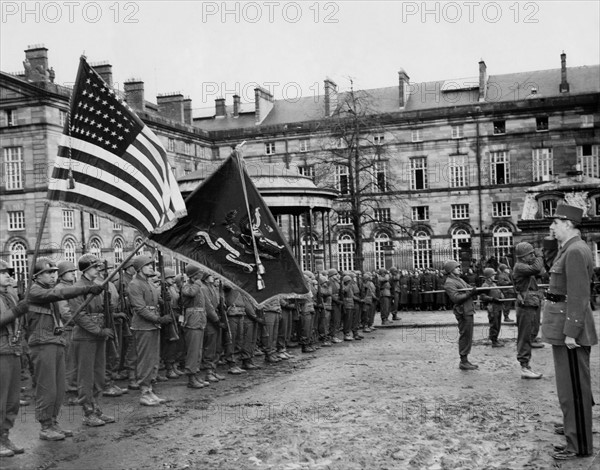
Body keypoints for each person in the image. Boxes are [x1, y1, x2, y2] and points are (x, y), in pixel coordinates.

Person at [541, 204, 597, 461]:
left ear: (569, 223)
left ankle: (580, 445)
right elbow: (550, 265)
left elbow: (578, 295)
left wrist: (572, 331)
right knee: (568, 387)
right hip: (563, 327)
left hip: (569, 331)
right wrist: (552, 242)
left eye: (555, 222)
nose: (551, 227)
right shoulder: (569, 248)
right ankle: (573, 429)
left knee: (574, 388)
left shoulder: (575, 251)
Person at [26, 258, 104, 440]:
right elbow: (59, 294)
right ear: (37, 276)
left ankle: (53, 422)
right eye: (48, 272)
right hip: (41, 344)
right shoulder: (34, 290)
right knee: (47, 388)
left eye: (54, 272)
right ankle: (45, 426)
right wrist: (86, 288)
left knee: (59, 388)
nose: (53, 275)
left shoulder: (46, 290)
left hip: (55, 341)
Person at [69, 254, 116, 426]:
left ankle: (96, 408)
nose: (99, 270)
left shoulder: (97, 287)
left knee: (98, 374)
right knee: (86, 376)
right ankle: (87, 412)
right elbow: (79, 316)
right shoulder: (77, 288)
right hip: (85, 337)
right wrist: (99, 331)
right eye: (96, 267)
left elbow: (104, 310)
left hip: (99, 335)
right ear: (86, 269)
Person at [128, 255, 172, 406]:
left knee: (153, 359)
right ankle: (144, 392)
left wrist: (165, 298)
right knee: (145, 359)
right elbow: (140, 308)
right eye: (148, 265)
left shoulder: (149, 284)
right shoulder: (135, 284)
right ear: (140, 268)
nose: (151, 267)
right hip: (143, 325)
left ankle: (150, 389)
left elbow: (155, 301)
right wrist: (158, 319)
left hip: (152, 325)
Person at [0, 261, 28, 456]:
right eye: (3, 272)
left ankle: (4, 435)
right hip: (1, 351)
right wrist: (18, 309)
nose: (8, 275)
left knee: (12, 399)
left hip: (13, 348)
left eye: (9, 272)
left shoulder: (10, 294)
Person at [512, 242, 545, 379]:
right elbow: (538, 269)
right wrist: (539, 255)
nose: (533, 256)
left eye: (533, 253)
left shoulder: (526, 266)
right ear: (523, 256)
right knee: (525, 336)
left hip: (531, 303)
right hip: (526, 305)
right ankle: (524, 367)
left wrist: (537, 259)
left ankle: (526, 365)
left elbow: (542, 271)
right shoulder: (519, 266)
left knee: (531, 333)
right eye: (530, 254)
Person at [443, 260, 478, 370]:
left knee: (468, 335)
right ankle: (463, 360)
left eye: (459, 267)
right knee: (465, 335)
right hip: (462, 311)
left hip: (468, 309)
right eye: (456, 267)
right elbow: (456, 298)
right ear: (451, 270)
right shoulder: (449, 283)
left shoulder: (459, 279)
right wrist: (469, 294)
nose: (459, 268)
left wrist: (475, 290)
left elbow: (468, 288)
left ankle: (465, 359)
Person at [478, 268, 504, 348]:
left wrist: (502, 296)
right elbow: (482, 297)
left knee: (498, 323)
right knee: (494, 324)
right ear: (489, 276)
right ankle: (494, 340)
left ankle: (495, 339)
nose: (494, 276)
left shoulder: (493, 284)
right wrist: (492, 299)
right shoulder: (485, 285)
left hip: (498, 306)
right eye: (493, 275)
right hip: (492, 306)